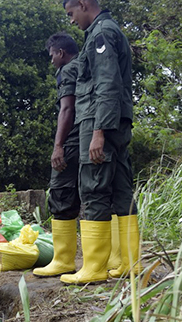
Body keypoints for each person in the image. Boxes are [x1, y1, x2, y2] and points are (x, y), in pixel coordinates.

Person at [61, 0, 139, 284]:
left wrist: (98, 131)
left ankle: (94, 267)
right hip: (116, 121)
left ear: (83, 4)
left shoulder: (100, 34)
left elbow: (107, 84)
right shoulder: (109, 29)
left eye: (71, 13)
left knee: (93, 186)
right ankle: (131, 263)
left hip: (100, 121)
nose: (71, 21)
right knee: (121, 189)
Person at [33, 32, 82, 277]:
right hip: (88, 135)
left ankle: (63, 260)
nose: (51, 60)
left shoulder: (68, 70)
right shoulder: (85, 64)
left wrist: (58, 145)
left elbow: (67, 108)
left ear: (61, 53)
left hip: (73, 140)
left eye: (52, 55)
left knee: (61, 194)